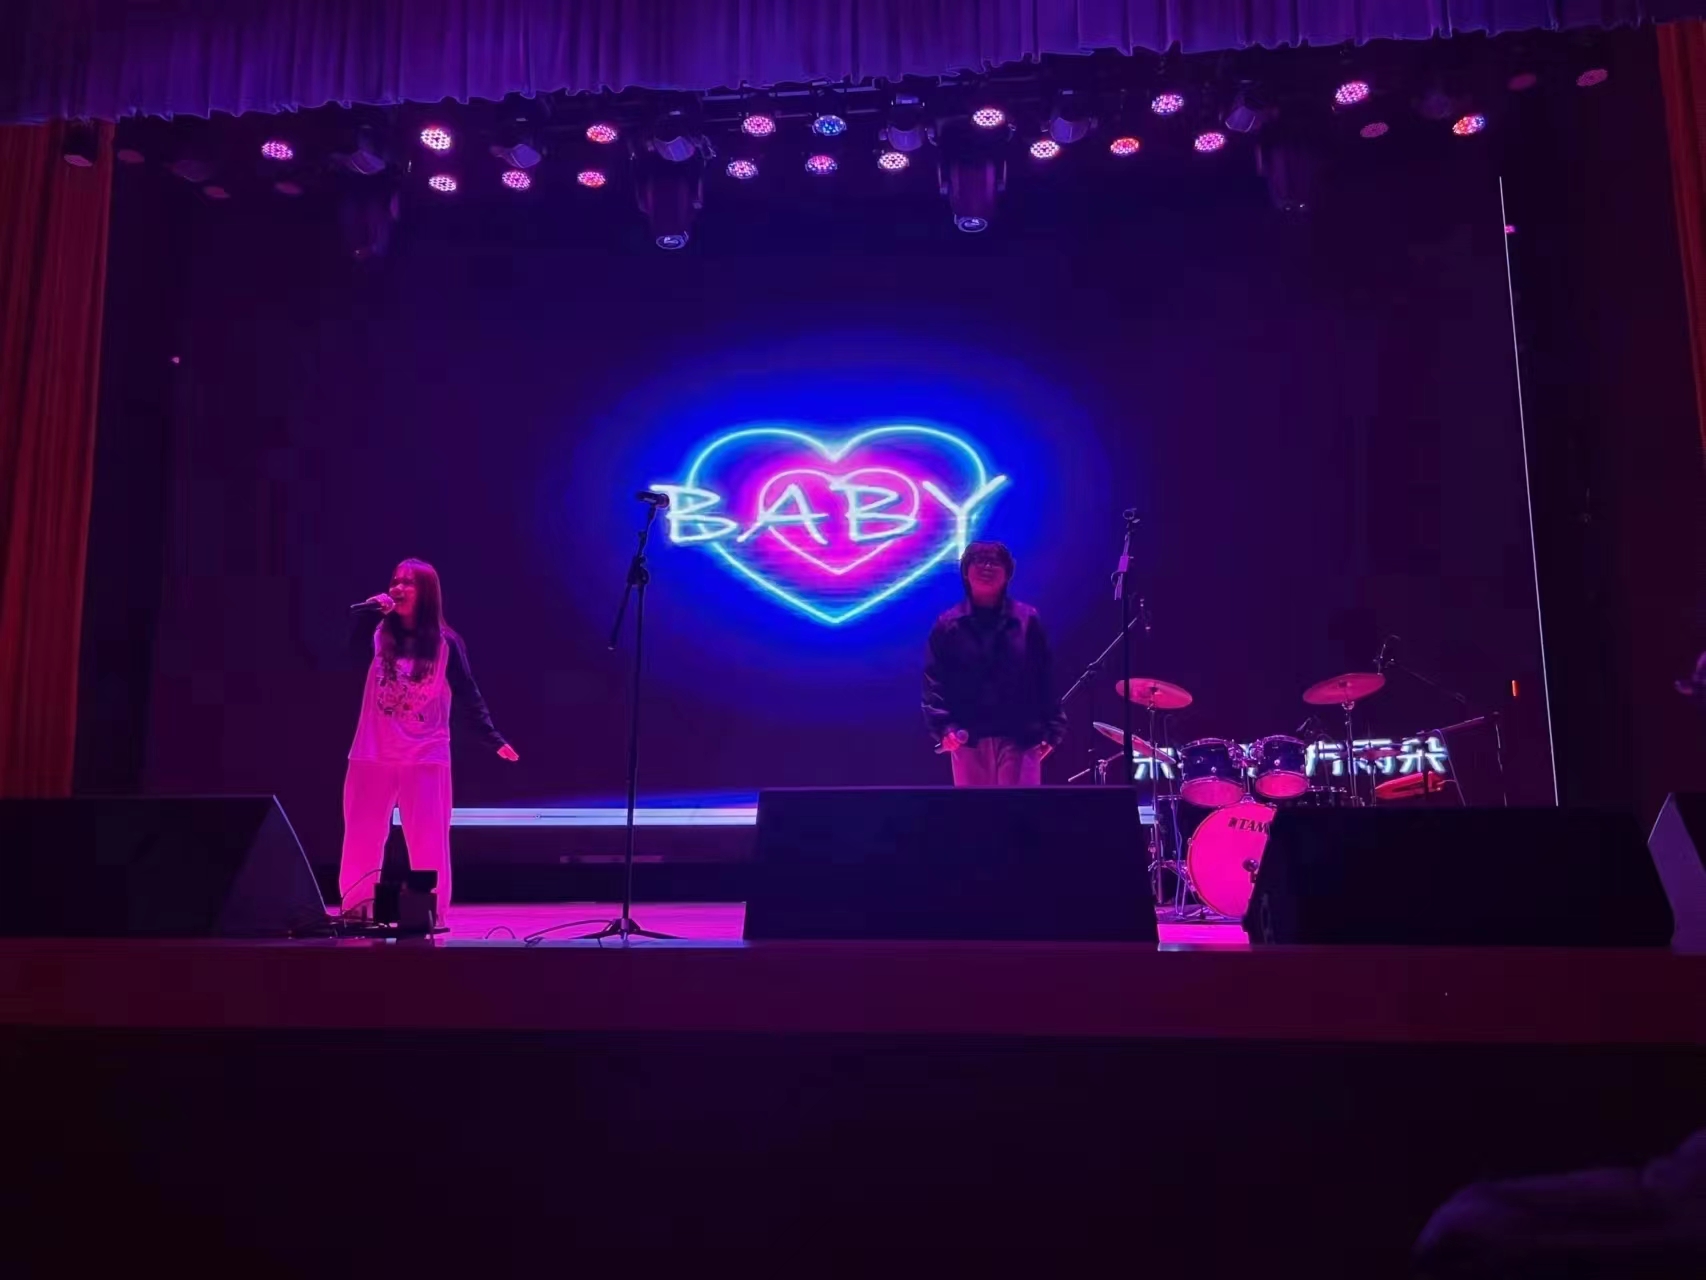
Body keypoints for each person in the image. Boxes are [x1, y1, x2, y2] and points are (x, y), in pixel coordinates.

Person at [339, 558, 517, 925]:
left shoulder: (445, 643)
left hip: (425, 754)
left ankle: (430, 912)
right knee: (362, 834)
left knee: (428, 838)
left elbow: (468, 693)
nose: (398, 588)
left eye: (409, 583)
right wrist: (367, 618)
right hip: (372, 751)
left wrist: (491, 737)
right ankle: (356, 909)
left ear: (427, 593)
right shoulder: (378, 633)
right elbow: (350, 662)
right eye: (395, 581)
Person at [922, 540, 1067, 786]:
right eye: (979, 561)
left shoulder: (1028, 620)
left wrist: (1053, 729)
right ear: (966, 571)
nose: (987, 567)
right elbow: (934, 681)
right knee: (976, 811)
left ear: (1008, 573)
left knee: (1020, 811)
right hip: (967, 738)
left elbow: (1045, 676)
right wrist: (943, 727)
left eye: (995, 562)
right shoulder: (948, 624)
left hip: (1021, 736)